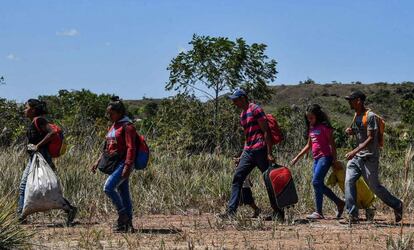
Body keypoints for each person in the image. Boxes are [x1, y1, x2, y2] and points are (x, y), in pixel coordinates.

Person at [220, 89, 284, 220]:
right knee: (237, 178)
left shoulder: (255, 109)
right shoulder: (243, 115)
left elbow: (265, 130)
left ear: (243, 98)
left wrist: (269, 152)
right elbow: (247, 137)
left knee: (269, 180)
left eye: (236, 100)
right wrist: (242, 155)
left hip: (260, 149)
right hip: (249, 151)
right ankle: (231, 212)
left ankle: (278, 213)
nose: (234, 102)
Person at [343, 90, 403, 223]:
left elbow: (370, 138)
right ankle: (352, 215)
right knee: (349, 181)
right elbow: (361, 132)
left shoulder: (370, 116)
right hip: (357, 157)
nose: (349, 103)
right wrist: (352, 132)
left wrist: (353, 151)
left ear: (358, 100)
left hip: (369, 157)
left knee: (374, 187)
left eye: (351, 100)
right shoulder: (356, 115)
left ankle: (397, 205)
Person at [18, 99, 77, 225]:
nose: (24, 110)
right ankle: (69, 209)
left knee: (28, 185)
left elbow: (52, 132)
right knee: (44, 186)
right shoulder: (34, 122)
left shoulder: (39, 120)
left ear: (33, 109)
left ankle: (20, 216)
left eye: (26, 107)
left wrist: (38, 146)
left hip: (41, 156)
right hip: (36, 157)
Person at [291, 104, 345, 220]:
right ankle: (325, 209)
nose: (309, 120)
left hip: (325, 157)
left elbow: (332, 145)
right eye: (308, 118)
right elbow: (308, 145)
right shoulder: (312, 128)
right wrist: (297, 157)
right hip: (316, 159)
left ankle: (332, 205)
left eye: (311, 118)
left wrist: (334, 160)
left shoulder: (325, 128)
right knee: (317, 184)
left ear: (317, 116)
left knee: (316, 182)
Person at [92, 96, 137, 232]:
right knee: (123, 193)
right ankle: (127, 224)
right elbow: (107, 146)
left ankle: (122, 215)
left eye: (111, 113)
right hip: (115, 162)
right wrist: (98, 160)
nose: (108, 115)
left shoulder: (127, 126)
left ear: (119, 113)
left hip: (123, 163)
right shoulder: (114, 126)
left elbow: (131, 148)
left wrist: (128, 166)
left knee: (108, 187)